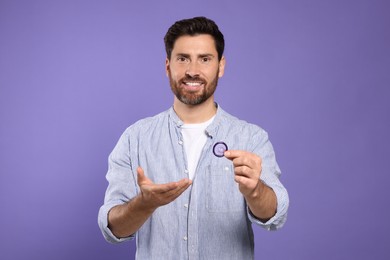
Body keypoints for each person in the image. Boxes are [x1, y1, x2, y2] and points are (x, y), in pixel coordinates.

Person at [98, 16, 289, 259]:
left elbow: (275, 215)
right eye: (183, 58)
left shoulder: (251, 138)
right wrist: (144, 204)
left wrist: (255, 191)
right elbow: (112, 229)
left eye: (205, 59)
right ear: (168, 66)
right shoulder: (135, 138)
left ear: (220, 66)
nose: (192, 71)